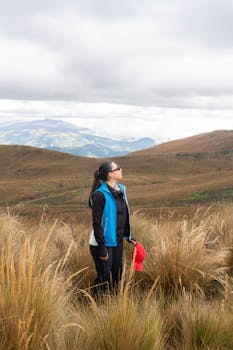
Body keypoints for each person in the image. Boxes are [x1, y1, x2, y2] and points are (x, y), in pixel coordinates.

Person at [89, 161, 136, 292]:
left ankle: (113, 305)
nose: (121, 169)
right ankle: (99, 307)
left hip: (117, 240)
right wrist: (102, 248)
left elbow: (121, 216)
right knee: (104, 278)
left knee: (117, 275)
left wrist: (129, 235)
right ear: (110, 174)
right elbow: (97, 224)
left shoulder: (121, 190)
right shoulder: (99, 195)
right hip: (102, 243)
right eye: (118, 168)